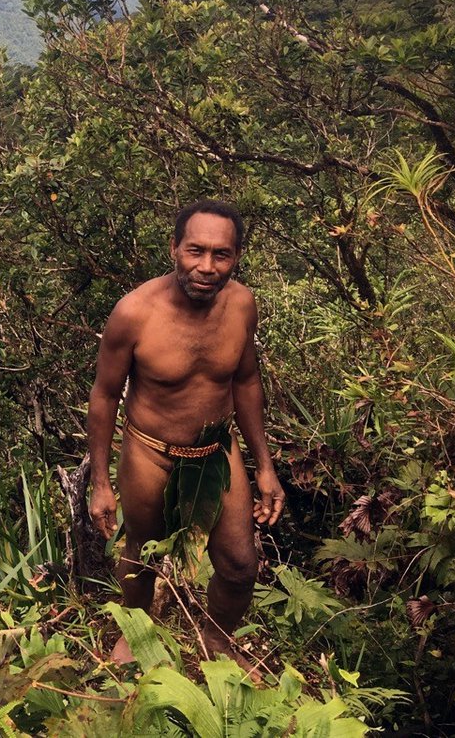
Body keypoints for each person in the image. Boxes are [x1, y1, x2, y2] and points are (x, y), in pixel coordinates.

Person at [86, 199, 284, 666]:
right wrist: (100, 482)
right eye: (196, 251)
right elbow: (104, 395)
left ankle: (215, 642)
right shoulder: (134, 312)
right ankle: (135, 635)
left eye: (222, 255)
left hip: (216, 450)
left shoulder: (241, 304)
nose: (207, 266)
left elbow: (246, 380)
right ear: (174, 247)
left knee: (239, 567)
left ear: (236, 257)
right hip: (149, 450)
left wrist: (265, 466)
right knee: (141, 556)